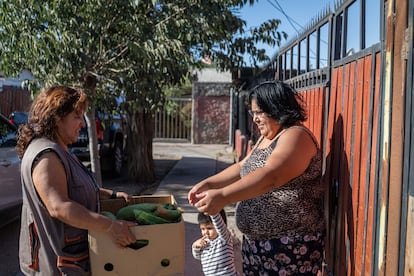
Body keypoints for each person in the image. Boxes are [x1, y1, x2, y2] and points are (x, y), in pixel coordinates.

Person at [188, 80, 325, 275]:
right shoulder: (267, 137)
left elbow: (271, 176)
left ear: (277, 107)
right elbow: (243, 166)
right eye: (253, 113)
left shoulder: (296, 136)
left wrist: (223, 196)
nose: (255, 119)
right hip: (258, 246)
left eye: (260, 112)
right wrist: (209, 183)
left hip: (289, 246)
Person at [16, 86, 137, 275]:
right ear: (56, 117)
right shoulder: (46, 156)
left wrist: (112, 195)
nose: (82, 124)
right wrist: (110, 227)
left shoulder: (60, 149)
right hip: (58, 267)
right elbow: (59, 207)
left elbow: (75, 188)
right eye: (77, 117)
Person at [192, 209, 238, 276]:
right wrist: (196, 247)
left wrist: (212, 210)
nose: (205, 232)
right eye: (203, 229)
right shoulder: (205, 242)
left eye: (209, 228)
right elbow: (198, 256)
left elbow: (219, 224)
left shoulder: (224, 238)